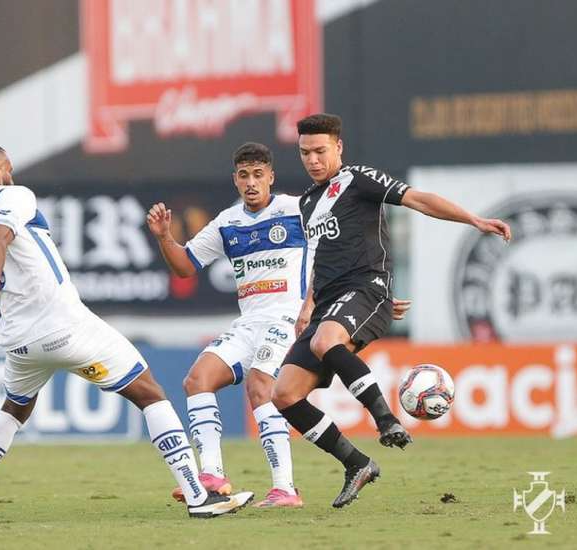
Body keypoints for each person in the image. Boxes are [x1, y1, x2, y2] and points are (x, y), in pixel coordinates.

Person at [0, 142, 253, 522]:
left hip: (21, 343)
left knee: (13, 409)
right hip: (63, 325)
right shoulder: (13, 197)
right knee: (149, 392)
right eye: (7, 167)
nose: (11, 173)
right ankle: (198, 496)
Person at [146, 142, 411, 508]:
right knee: (197, 380)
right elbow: (185, 266)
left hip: (290, 316)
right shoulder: (227, 222)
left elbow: (339, 250)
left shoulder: (297, 209)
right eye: (244, 176)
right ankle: (212, 475)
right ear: (235, 180)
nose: (251, 183)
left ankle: (285, 488)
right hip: (249, 321)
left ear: (270, 176)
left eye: (258, 175)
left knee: (262, 385)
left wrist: (366, 293)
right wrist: (164, 238)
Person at [271, 114, 512, 508]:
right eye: (304, 153)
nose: (312, 160)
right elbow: (321, 258)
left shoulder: (358, 179)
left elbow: (418, 199)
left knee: (326, 339)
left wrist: (474, 220)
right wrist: (309, 303)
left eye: (320, 151)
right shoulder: (308, 202)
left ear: (338, 148)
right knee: (283, 394)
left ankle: (385, 419)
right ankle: (357, 463)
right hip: (331, 305)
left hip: (366, 289)